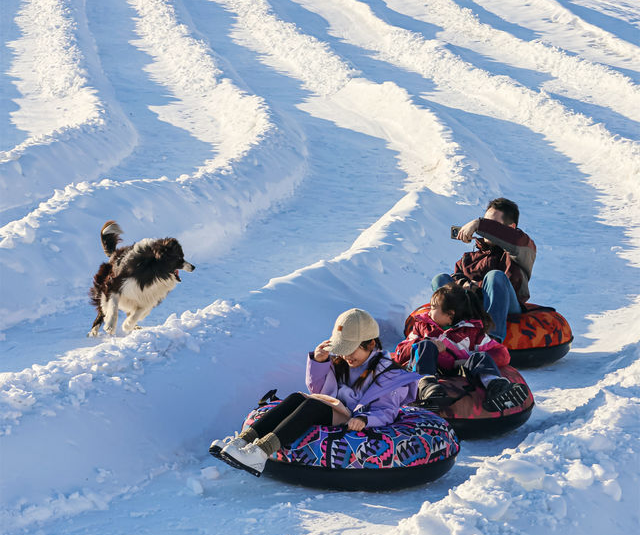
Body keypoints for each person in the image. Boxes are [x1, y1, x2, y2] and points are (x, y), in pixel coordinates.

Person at [211, 308, 419, 476]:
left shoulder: (388, 374)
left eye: (351, 349)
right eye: (342, 349)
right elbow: (319, 390)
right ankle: (242, 442)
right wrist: (319, 363)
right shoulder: (344, 363)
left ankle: (261, 452)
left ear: (371, 344)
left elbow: (387, 410)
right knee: (295, 398)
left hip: (351, 416)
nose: (346, 356)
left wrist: (366, 419)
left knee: (313, 405)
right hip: (332, 407)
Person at [393, 282, 529, 412]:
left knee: (480, 356)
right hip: (425, 366)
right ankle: (426, 387)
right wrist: (424, 345)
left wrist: (468, 360)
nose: (429, 311)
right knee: (426, 346)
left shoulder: (471, 332)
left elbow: (501, 353)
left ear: (450, 315)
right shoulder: (422, 327)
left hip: (457, 369)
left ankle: (497, 387)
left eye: (434, 308)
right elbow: (400, 352)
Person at [432, 198, 536, 341]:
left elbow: (515, 240)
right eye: (485, 222)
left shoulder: (521, 249)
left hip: (508, 306)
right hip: (473, 306)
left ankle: (492, 340)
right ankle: (449, 336)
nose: (483, 231)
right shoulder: (469, 258)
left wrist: (478, 224)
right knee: (441, 279)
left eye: (491, 225)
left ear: (510, 227)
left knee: (495, 276)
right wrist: (465, 285)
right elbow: (457, 276)